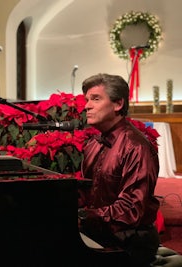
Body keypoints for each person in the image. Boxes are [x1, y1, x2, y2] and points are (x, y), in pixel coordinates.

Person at [78, 73, 160, 267]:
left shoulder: (135, 146)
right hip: (100, 233)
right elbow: (85, 193)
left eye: (96, 99)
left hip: (130, 242)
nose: (86, 106)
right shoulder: (93, 144)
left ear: (118, 104)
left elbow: (131, 210)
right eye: (87, 100)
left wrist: (83, 217)